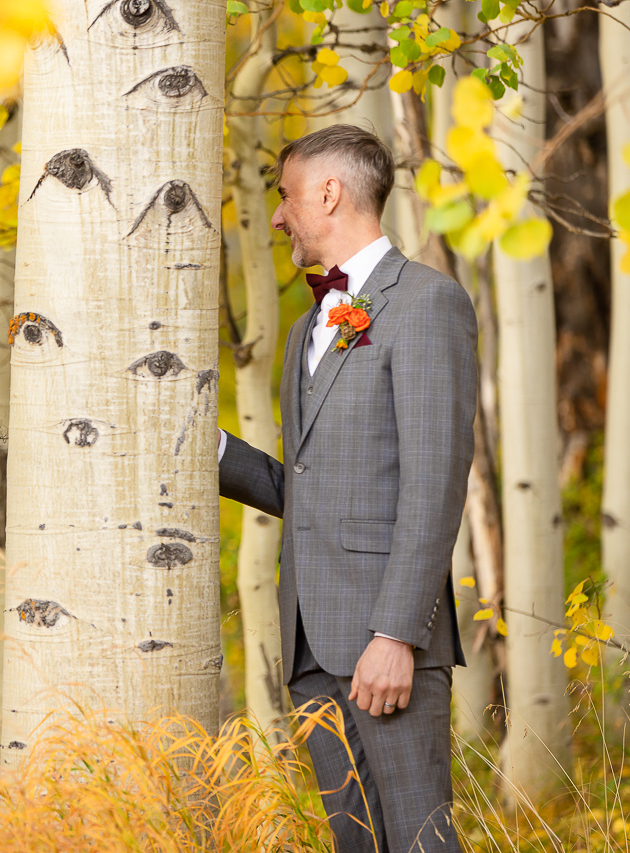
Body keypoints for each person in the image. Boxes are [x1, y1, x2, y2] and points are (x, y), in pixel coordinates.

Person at [217, 126, 476, 852]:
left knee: (420, 840)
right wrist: (212, 452)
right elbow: (308, 487)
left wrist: (396, 633)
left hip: (384, 642)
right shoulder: (305, 328)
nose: (277, 216)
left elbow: (435, 482)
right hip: (309, 644)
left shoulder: (428, 304)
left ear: (328, 193)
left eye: (286, 196)